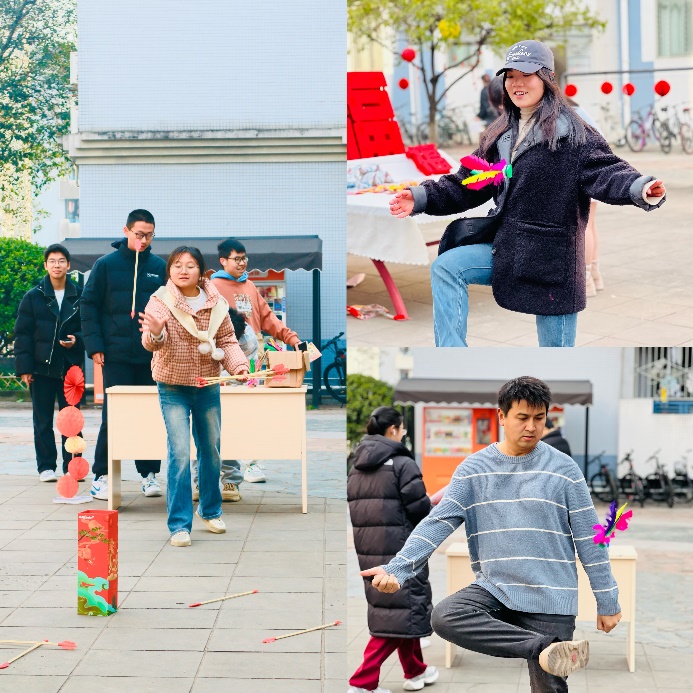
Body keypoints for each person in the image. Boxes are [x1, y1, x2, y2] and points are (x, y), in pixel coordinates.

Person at [389, 40, 666, 347]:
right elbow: (467, 182)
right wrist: (421, 197)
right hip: (508, 250)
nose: (516, 83)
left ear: (547, 78)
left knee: (556, 356)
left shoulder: (574, 133)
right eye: (510, 76)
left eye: (526, 75)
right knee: (447, 267)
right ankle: (452, 354)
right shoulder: (500, 132)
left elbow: (606, 171)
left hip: (553, 262)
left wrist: (640, 187)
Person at [362, 377, 622, 693]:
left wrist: (607, 600)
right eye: (522, 417)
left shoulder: (565, 470)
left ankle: (548, 648)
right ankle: (544, 647)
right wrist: (397, 569)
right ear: (502, 416)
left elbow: (591, 540)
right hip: (496, 589)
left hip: (551, 596)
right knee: (445, 617)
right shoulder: (474, 469)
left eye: (539, 418)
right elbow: (437, 523)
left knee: (548, 689)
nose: (531, 427)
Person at [140, 246, 249, 546]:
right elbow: (150, 343)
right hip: (172, 386)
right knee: (179, 453)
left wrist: (239, 366)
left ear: (201, 271)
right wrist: (157, 332)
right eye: (177, 265)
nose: (183, 270)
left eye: (190, 265)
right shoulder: (160, 301)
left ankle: (210, 510)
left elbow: (227, 340)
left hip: (207, 385)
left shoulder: (217, 302)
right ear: (169, 270)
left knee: (211, 450)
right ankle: (178, 525)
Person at [347, 407, 438, 693]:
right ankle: (361, 684)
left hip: (369, 548)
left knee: (399, 611)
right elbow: (420, 510)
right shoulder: (402, 464)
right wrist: (432, 501)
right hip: (402, 550)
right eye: (402, 429)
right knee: (397, 615)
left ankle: (415, 671)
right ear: (393, 430)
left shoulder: (356, 465)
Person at [80, 209, 166, 500]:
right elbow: (88, 305)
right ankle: (102, 475)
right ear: (126, 231)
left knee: (149, 414)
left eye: (149, 235)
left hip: (151, 354)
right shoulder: (105, 265)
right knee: (114, 415)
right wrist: (95, 346)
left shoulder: (159, 266)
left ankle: (149, 474)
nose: (143, 240)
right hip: (114, 354)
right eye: (139, 234)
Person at [210, 238, 301, 484]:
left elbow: (268, 318)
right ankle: (225, 468)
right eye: (237, 259)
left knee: (252, 412)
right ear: (223, 261)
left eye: (244, 259)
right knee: (226, 415)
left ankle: (253, 464)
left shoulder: (249, 285)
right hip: (225, 361)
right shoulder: (212, 288)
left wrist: (291, 338)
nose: (242, 263)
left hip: (254, 361)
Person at [14, 244, 84, 481]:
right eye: (52, 261)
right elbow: (22, 335)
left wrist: (77, 340)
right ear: (45, 265)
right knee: (42, 421)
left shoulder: (80, 296)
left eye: (61, 261)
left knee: (72, 420)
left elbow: (89, 328)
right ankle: (46, 467)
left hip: (70, 369)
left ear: (68, 265)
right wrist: (25, 368)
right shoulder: (33, 296)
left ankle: (73, 466)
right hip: (40, 368)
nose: (57, 265)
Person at [190, 305, 259, 502]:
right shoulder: (202, 330)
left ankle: (231, 481)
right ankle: (200, 482)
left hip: (233, 392)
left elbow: (247, 369)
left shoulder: (247, 340)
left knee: (229, 434)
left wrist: (233, 377)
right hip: (203, 388)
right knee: (201, 436)